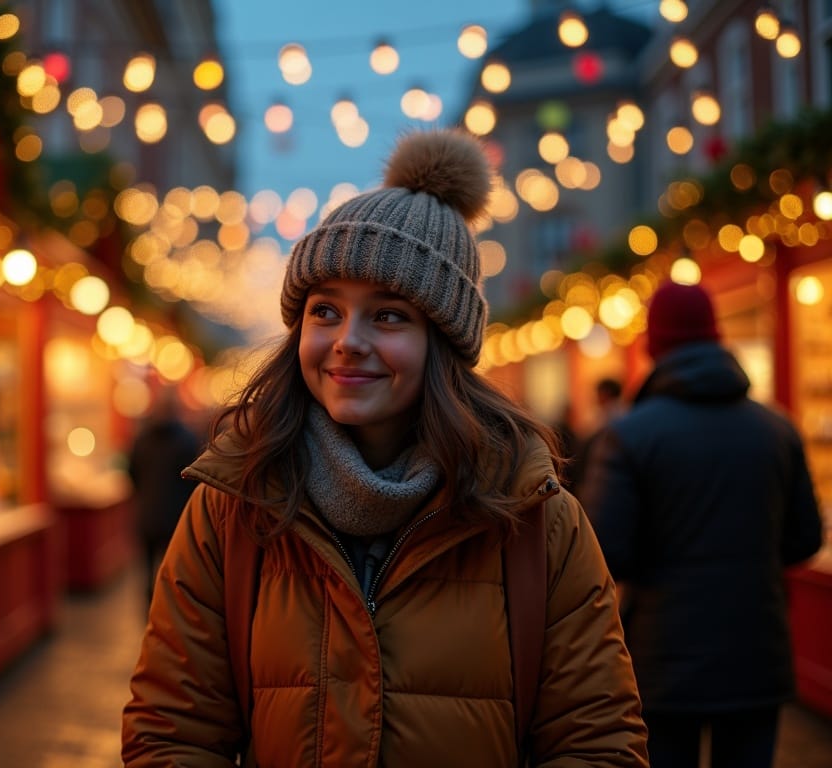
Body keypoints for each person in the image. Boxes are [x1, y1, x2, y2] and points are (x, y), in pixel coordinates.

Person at [122, 130, 648, 766]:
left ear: (443, 341)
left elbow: (598, 742)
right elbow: (172, 731)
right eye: (325, 311)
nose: (348, 340)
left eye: (389, 315)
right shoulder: (233, 503)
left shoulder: (534, 514)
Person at [580, 281, 825, 768]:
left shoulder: (628, 437)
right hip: (759, 652)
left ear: (654, 345)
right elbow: (806, 540)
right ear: (716, 338)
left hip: (664, 658)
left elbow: (603, 553)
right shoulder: (776, 428)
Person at [126, 385, 202, 603]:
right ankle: (167, 611)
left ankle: (149, 612)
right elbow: (194, 481)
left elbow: (132, 473)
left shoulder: (142, 440)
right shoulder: (188, 440)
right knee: (174, 571)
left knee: (147, 571)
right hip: (176, 517)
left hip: (147, 516)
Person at [568, 377, 626, 496]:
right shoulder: (623, 411)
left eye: (598, 393)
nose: (596, 397)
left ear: (606, 393)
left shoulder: (610, 415)